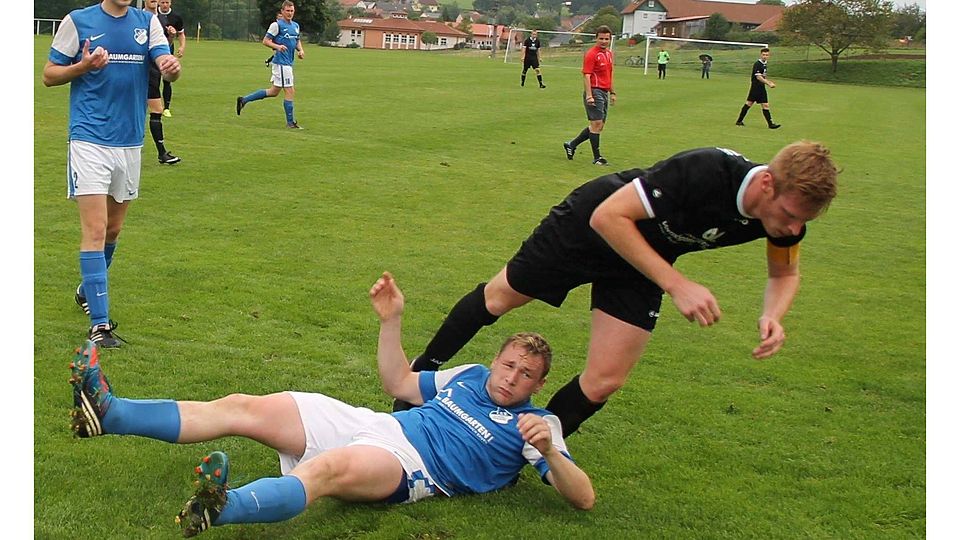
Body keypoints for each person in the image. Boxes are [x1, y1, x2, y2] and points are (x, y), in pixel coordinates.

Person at [68, 272, 595, 536]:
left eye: (526, 375)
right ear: (496, 360)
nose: (511, 378)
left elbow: (584, 498)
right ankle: (110, 413)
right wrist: (391, 322)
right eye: (509, 365)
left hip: (412, 467)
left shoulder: (536, 426)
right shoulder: (470, 377)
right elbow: (399, 380)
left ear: (538, 383)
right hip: (374, 423)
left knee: (331, 470)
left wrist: (549, 453)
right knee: (245, 405)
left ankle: (221, 507)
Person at [393, 142, 840, 439]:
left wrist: (774, 315)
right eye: (789, 214)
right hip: (588, 227)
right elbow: (609, 217)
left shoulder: (782, 217)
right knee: (498, 298)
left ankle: (526, 446)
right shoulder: (705, 171)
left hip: (642, 262)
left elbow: (784, 274)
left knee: (606, 379)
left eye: (804, 222)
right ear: (767, 184)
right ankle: (414, 382)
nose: (793, 228)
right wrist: (677, 283)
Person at [43, 0, 182, 348]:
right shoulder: (79, 21)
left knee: (114, 229)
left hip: (130, 141)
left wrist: (170, 68)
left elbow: (163, 61)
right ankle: (100, 326)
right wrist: (83, 66)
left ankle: (86, 287)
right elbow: (49, 74)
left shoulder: (146, 22)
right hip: (89, 137)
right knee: (95, 228)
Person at [236, 0, 305, 129]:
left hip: (288, 63)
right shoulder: (277, 25)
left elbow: (296, 40)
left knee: (273, 92)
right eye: (287, 11)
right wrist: (277, 46)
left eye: (292, 11)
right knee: (290, 91)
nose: (290, 13)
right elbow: (265, 41)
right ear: (282, 11)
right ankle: (290, 123)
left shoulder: (295, 25)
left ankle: (243, 100)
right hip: (281, 63)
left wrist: (300, 50)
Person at [562, 26, 616, 166]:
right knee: (596, 124)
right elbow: (587, 75)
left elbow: (609, 74)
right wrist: (589, 95)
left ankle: (571, 144)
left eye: (606, 39)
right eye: (601, 38)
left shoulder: (609, 54)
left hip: (604, 91)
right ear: (596, 38)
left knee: (599, 126)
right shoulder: (592, 54)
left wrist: (613, 92)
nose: (604, 41)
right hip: (595, 91)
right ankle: (597, 158)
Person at [145, 0, 180, 164]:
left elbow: (164, 46)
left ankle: (161, 153)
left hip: (154, 69)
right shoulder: (138, 17)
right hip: (137, 69)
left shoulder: (162, 21)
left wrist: (172, 36)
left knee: (156, 110)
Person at [736, 48, 780, 129]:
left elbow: (763, 76)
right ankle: (739, 121)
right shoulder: (757, 64)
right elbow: (758, 77)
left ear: (769, 56)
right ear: (760, 55)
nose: (765, 56)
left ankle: (770, 124)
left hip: (761, 87)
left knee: (765, 105)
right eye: (763, 55)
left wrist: (767, 81)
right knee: (749, 104)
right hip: (755, 88)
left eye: (766, 55)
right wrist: (769, 83)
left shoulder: (764, 64)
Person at [157, 0, 185, 117]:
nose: (165, 5)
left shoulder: (176, 17)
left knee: (167, 79)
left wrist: (182, 46)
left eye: (167, 2)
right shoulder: (153, 15)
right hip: (151, 50)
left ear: (170, 3)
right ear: (158, 3)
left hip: (167, 50)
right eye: (162, 2)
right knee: (152, 79)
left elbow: (181, 33)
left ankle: (166, 108)